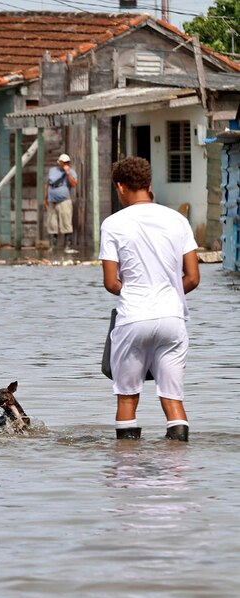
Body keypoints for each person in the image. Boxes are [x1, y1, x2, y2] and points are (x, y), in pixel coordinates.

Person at [100, 156, 200, 442]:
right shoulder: (178, 220)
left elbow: (110, 282)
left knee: (127, 398)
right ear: (149, 184)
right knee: (173, 398)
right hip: (172, 319)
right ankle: (177, 465)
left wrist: (137, 291)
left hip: (133, 318)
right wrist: (165, 291)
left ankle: (127, 464)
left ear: (120, 187)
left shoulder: (113, 224)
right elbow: (193, 277)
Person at [44, 153, 79, 252]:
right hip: (52, 200)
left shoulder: (72, 172)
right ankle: (52, 246)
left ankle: (67, 246)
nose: (65, 164)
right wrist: (45, 198)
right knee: (52, 223)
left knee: (66, 223)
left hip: (64, 201)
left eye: (67, 162)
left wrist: (68, 173)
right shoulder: (52, 171)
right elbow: (47, 184)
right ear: (59, 162)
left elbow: (74, 184)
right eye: (63, 162)